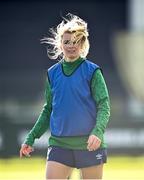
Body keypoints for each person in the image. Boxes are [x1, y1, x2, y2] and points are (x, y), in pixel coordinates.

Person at [20, 13, 110, 179]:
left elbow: (104, 106)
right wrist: (31, 138)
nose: (71, 46)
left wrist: (97, 132)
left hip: (89, 144)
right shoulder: (52, 73)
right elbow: (48, 110)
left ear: (82, 44)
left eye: (76, 42)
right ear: (60, 45)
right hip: (59, 144)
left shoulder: (93, 71)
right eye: (67, 42)